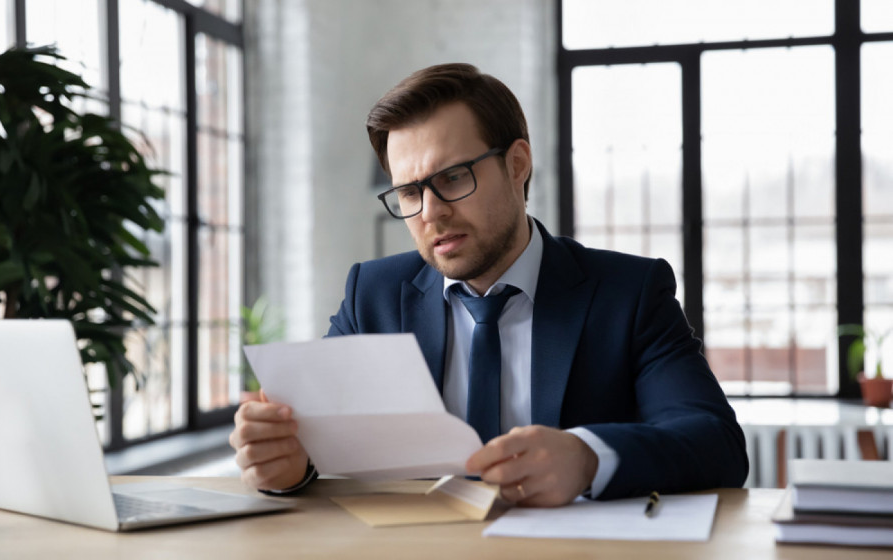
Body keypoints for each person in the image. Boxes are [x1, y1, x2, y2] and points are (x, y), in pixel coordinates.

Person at [229, 63, 748, 506]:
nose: (430, 213)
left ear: (517, 164)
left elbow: (716, 445)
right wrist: (289, 465)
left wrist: (589, 458)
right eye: (409, 192)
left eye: (453, 178)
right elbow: (319, 438)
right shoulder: (374, 294)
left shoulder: (628, 293)